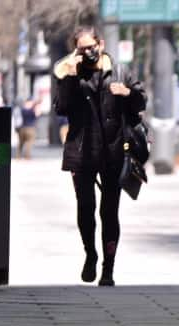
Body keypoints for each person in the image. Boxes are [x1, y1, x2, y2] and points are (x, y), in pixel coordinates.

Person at [52, 26, 146, 286]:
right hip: (81, 153)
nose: (89, 52)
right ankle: (90, 254)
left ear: (101, 44)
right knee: (85, 208)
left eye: (92, 46)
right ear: (77, 51)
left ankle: (108, 268)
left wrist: (128, 93)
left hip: (114, 152)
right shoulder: (72, 73)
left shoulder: (120, 71)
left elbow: (140, 104)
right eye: (82, 48)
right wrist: (69, 77)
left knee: (109, 212)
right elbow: (61, 107)